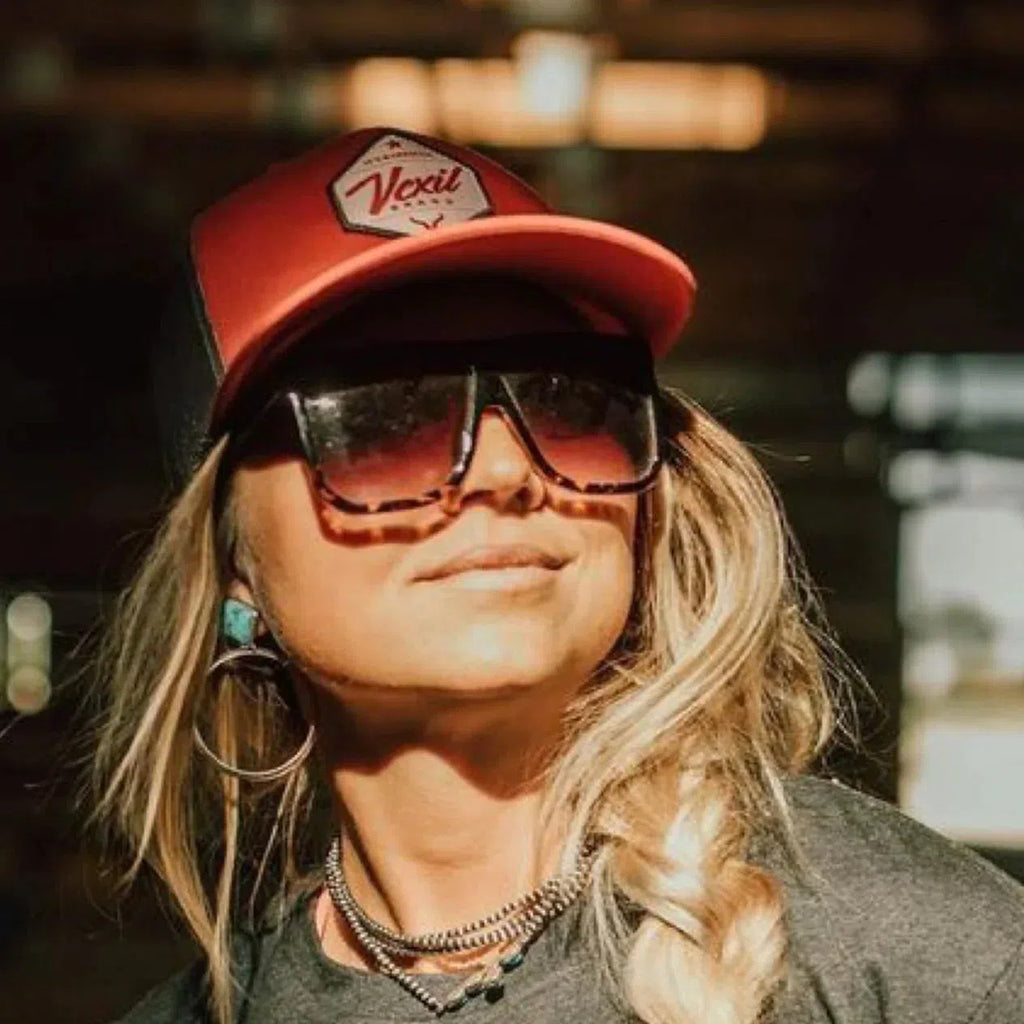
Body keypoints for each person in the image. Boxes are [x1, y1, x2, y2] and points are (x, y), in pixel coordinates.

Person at [89, 127, 1024, 1024]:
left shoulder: (913, 954)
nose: (506, 470)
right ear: (232, 560)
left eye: (568, 402)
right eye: (384, 420)